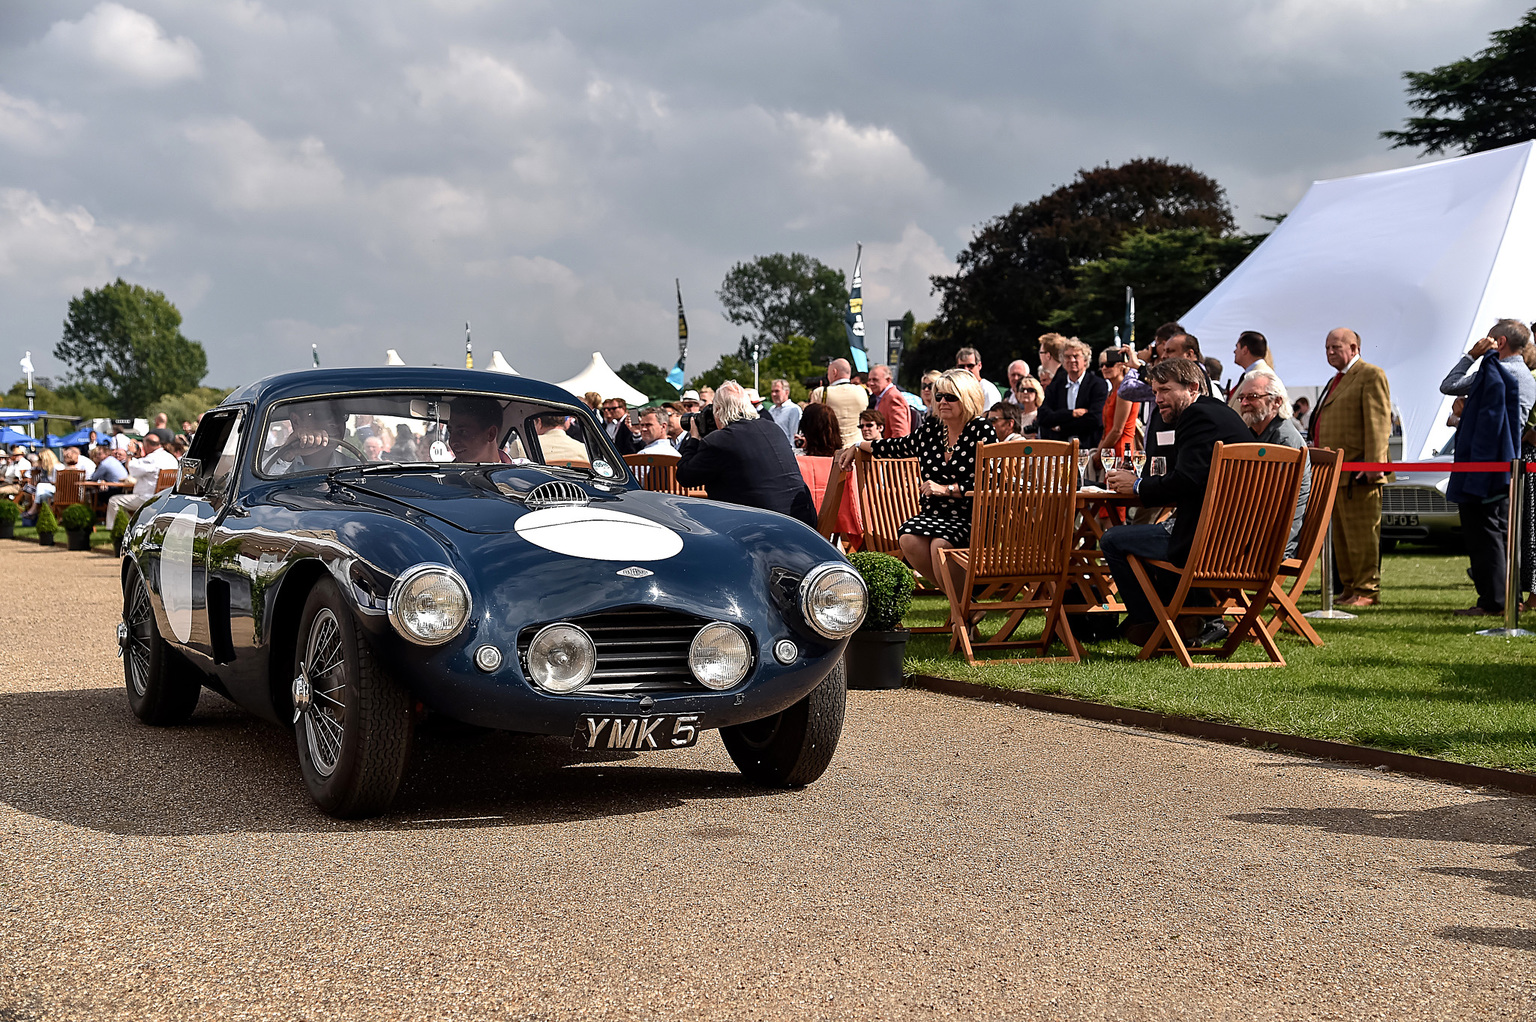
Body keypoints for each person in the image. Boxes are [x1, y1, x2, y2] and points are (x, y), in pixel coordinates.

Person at [1101, 359, 1255, 646]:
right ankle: (1186, 618)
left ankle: (1150, 624)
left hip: (1209, 544)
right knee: (1152, 532)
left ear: (1193, 387)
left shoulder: (1197, 416)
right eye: (1155, 391)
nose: (1157, 399)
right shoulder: (1221, 414)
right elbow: (1195, 480)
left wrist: (1136, 485)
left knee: (1113, 539)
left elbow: (1185, 481)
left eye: (1165, 390)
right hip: (1238, 540)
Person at [834, 369, 998, 586]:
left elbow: (992, 480)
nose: (942, 402)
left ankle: (963, 609)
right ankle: (963, 604)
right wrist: (857, 445)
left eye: (950, 397)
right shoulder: (932, 429)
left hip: (973, 515)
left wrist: (947, 489)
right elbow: (898, 446)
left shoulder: (981, 429)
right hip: (936, 513)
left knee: (940, 544)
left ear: (968, 398)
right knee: (909, 538)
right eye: (938, 396)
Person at [1438, 320, 1536, 617]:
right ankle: (1502, 598)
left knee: (1487, 534)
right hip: (1503, 465)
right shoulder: (1523, 374)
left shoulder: (1499, 372)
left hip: (1488, 467)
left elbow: (1449, 385)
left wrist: (1472, 355)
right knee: (1499, 534)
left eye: (1488, 340)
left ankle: (1494, 602)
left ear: (1500, 342)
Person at [1310, 327, 1393, 608]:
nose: (1330, 352)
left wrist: (1374, 465)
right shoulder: (1338, 379)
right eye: (1327, 348)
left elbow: (1378, 423)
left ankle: (1367, 590)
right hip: (1337, 473)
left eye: (1336, 347)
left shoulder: (1370, 374)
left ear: (1354, 348)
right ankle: (1349, 588)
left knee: (1362, 534)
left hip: (1360, 472)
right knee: (1342, 539)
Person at [676, 381, 817, 528]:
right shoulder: (773, 428)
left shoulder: (719, 441)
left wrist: (693, 438)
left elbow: (685, 477)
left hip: (761, 532)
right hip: (804, 525)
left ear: (717, 410)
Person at [1235, 368, 1311, 557]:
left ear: (1277, 401)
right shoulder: (1256, 435)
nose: (1244, 403)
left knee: (1181, 549)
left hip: (1267, 546)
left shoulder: (1284, 442)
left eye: (1252, 397)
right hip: (1252, 537)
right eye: (1242, 397)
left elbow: (1266, 503)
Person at [1038, 339, 1107, 449]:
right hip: (1060, 449)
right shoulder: (1056, 385)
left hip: (1088, 447)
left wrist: (1061, 427)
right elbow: (1043, 416)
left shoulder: (1097, 384)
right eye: (1067, 356)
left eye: (1076, 356)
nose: (1071, 360)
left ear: (1085, 360)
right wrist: (1071, 414)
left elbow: (1094, 420)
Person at [106, 428, 179, 527]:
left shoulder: (152, 458)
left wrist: (130, 453)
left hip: (148, 498)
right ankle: (132, 525)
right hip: (165, 497)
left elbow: (131, 468)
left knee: (114, 501)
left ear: (147, 445)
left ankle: (119, 530)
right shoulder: (171, 458)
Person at [812, 358, 867, 449]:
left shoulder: (821, 392)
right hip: (857, 446)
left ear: (834, 372)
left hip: (830, 446)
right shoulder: (861, 391)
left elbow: (812, 420)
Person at [1098, 348, 1137, 457]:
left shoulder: (1125, 390)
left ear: (1122, 365)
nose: (1104, 368)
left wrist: (1098, 455)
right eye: (1102, 365)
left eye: (1109, 364)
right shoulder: (1111, 392)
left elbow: (1117, 430)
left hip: (1121, 451)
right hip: (1109, 451)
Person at [866, 363, 911, 438]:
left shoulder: (893, 397)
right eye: (869, 380)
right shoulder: (880, 397)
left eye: (875, 380)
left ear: (888, 380)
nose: (871, 383)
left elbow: (900, 433)